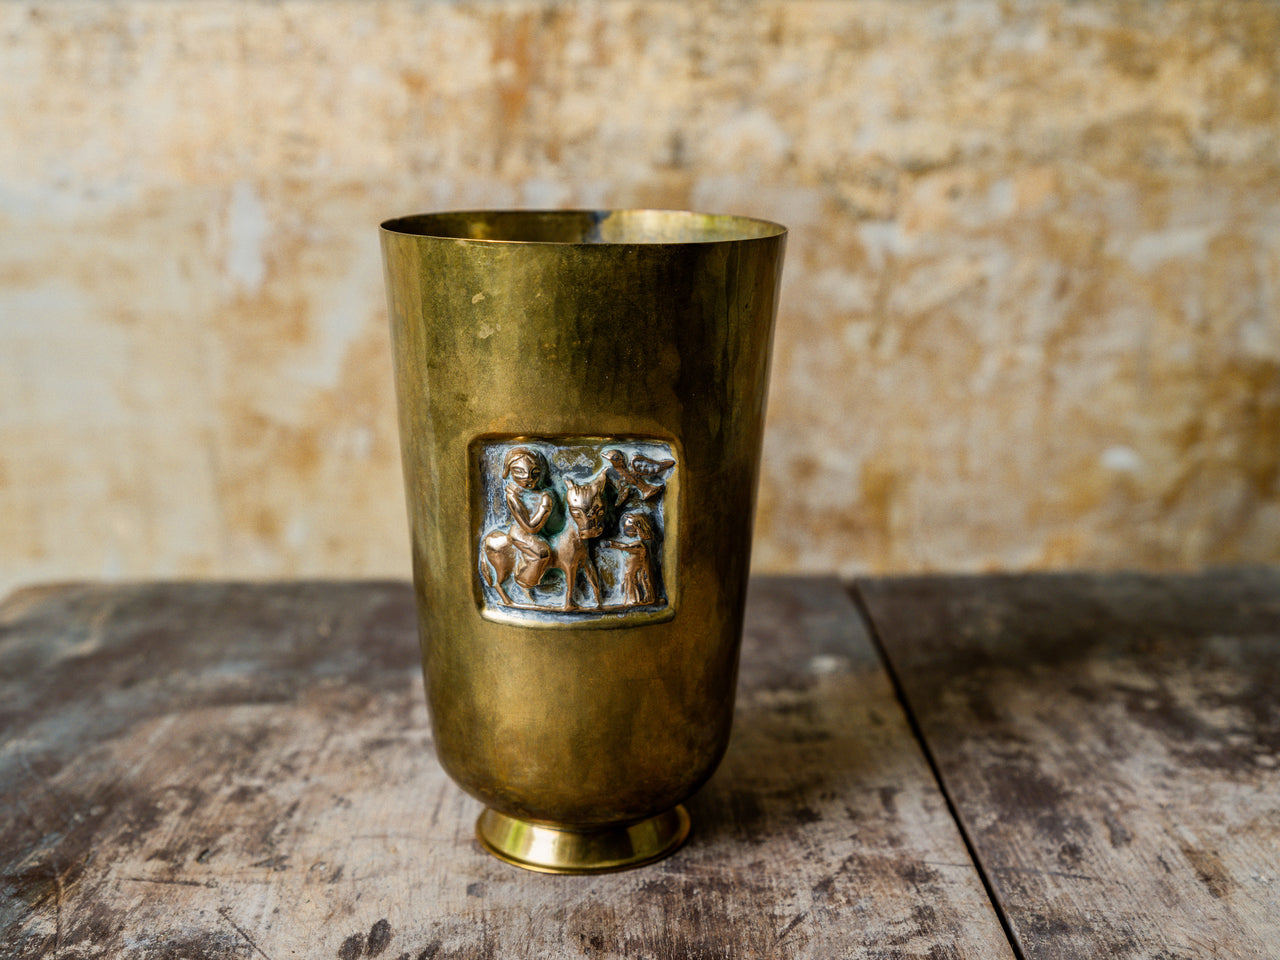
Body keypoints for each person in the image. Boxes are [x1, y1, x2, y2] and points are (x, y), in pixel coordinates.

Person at [500, 447, 554, 589]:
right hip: (520, 533)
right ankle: (524, 581)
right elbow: (530, 528)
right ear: (509, 472)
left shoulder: (539, 492)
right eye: (519, 471)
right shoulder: (512, 496)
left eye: (534, 472)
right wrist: (545, 507)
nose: (528, 478)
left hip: (542, 533)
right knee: (541, 553)